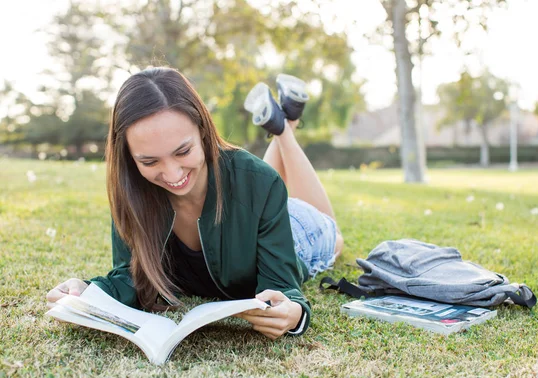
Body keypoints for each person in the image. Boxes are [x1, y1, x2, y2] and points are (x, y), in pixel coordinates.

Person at [46, 67, 343, 339]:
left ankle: (283, 129)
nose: (172, 175)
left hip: (298, 230)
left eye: (183, 151)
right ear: (129, 157)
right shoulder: (132, 192)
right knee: (256, 182)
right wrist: (87, 291)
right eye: (149, 161)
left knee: (333, 233)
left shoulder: (260, 182)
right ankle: (282, 123)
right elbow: (128, 274)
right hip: (254, 203)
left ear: (202, 130)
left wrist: (293, 313)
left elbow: (284, 287)